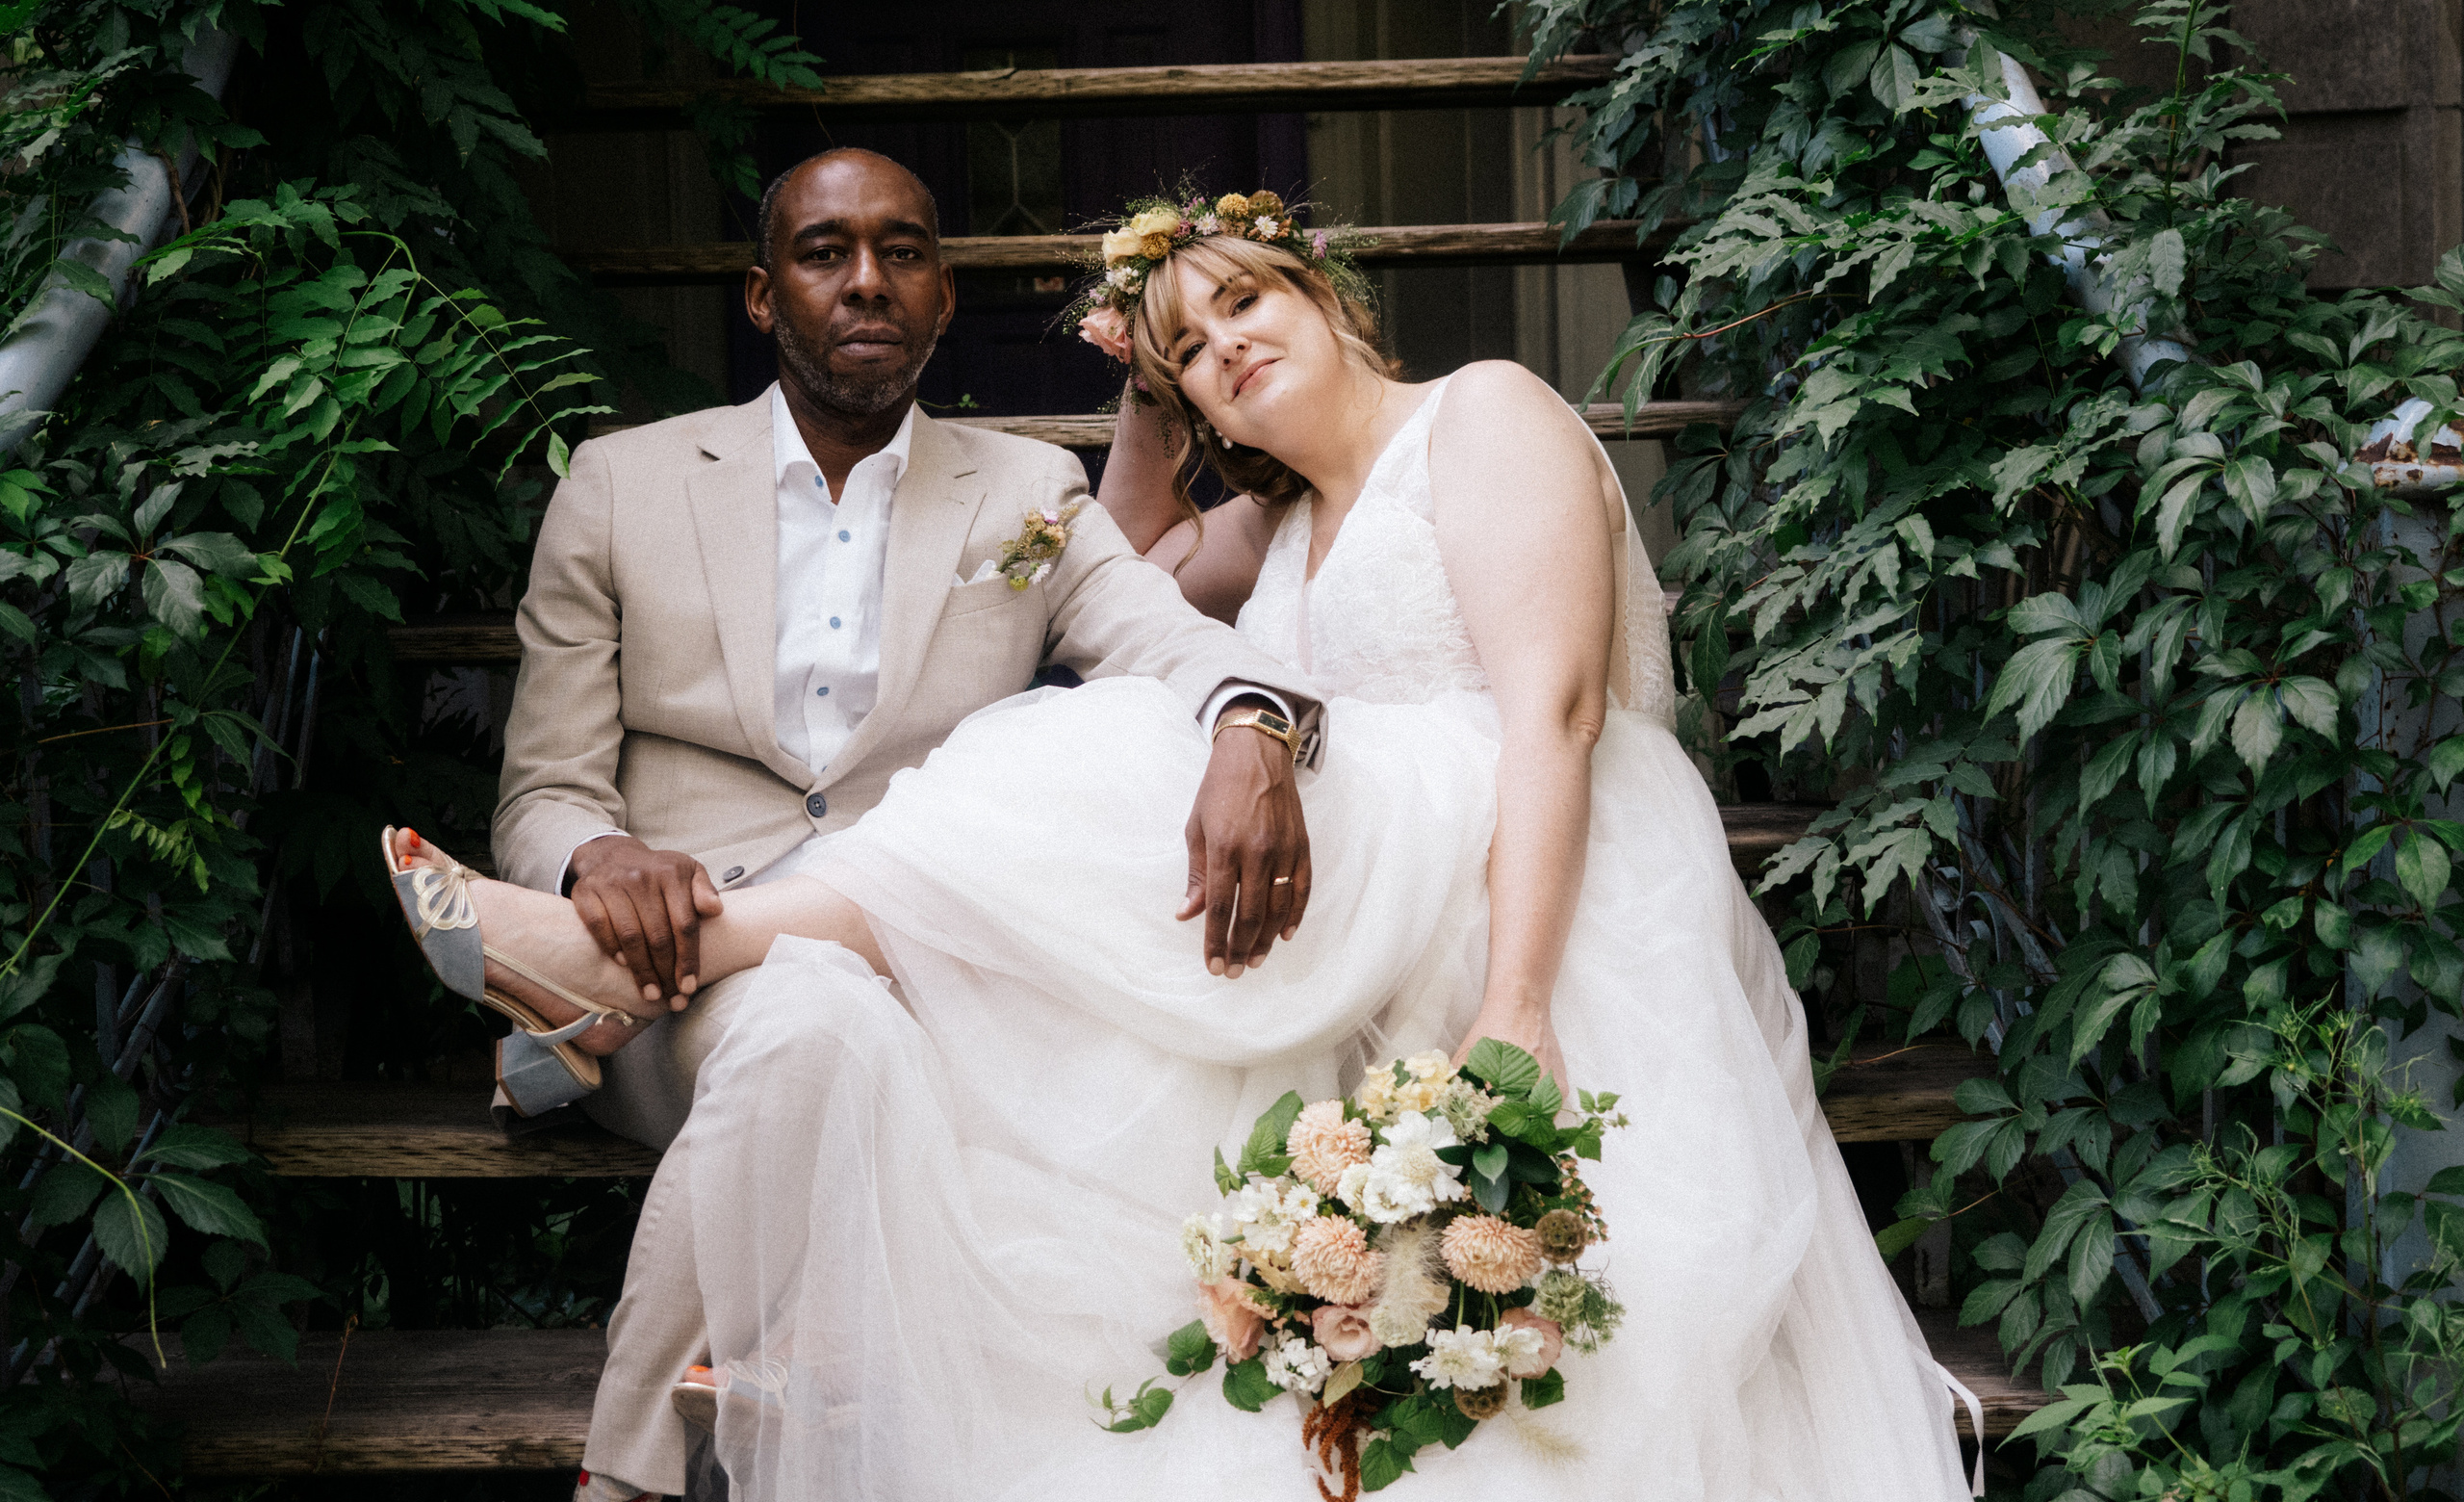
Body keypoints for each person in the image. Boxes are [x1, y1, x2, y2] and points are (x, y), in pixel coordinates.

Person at [394, 189, 1975, 1500]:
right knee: (1136, 740)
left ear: (1324, 290)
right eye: (1198, 358)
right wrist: (1149, 392)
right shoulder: (1276, 526)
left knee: (1108, 753)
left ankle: (615, 968)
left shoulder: (1481, 416)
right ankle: (654, 1024)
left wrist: (1519, 1005)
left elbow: (1550, 726)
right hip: (1369, 912)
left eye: (1247, 314)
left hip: (1526, 887)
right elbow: (1134, 571)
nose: (1230, 356)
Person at [404, 148, 1324, 1495]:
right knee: (801, 1015)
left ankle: (623, 1478)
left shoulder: (1027, 492)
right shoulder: (620, 482)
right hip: (669, 973)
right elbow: (545, 787)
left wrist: (1255, 723)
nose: (865, 283)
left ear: (945, 300)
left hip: (916, 980)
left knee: (820, 1011)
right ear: (764, 297)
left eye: (901, 253)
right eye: (825, 253)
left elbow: (1169, 651)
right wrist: (596, 861)